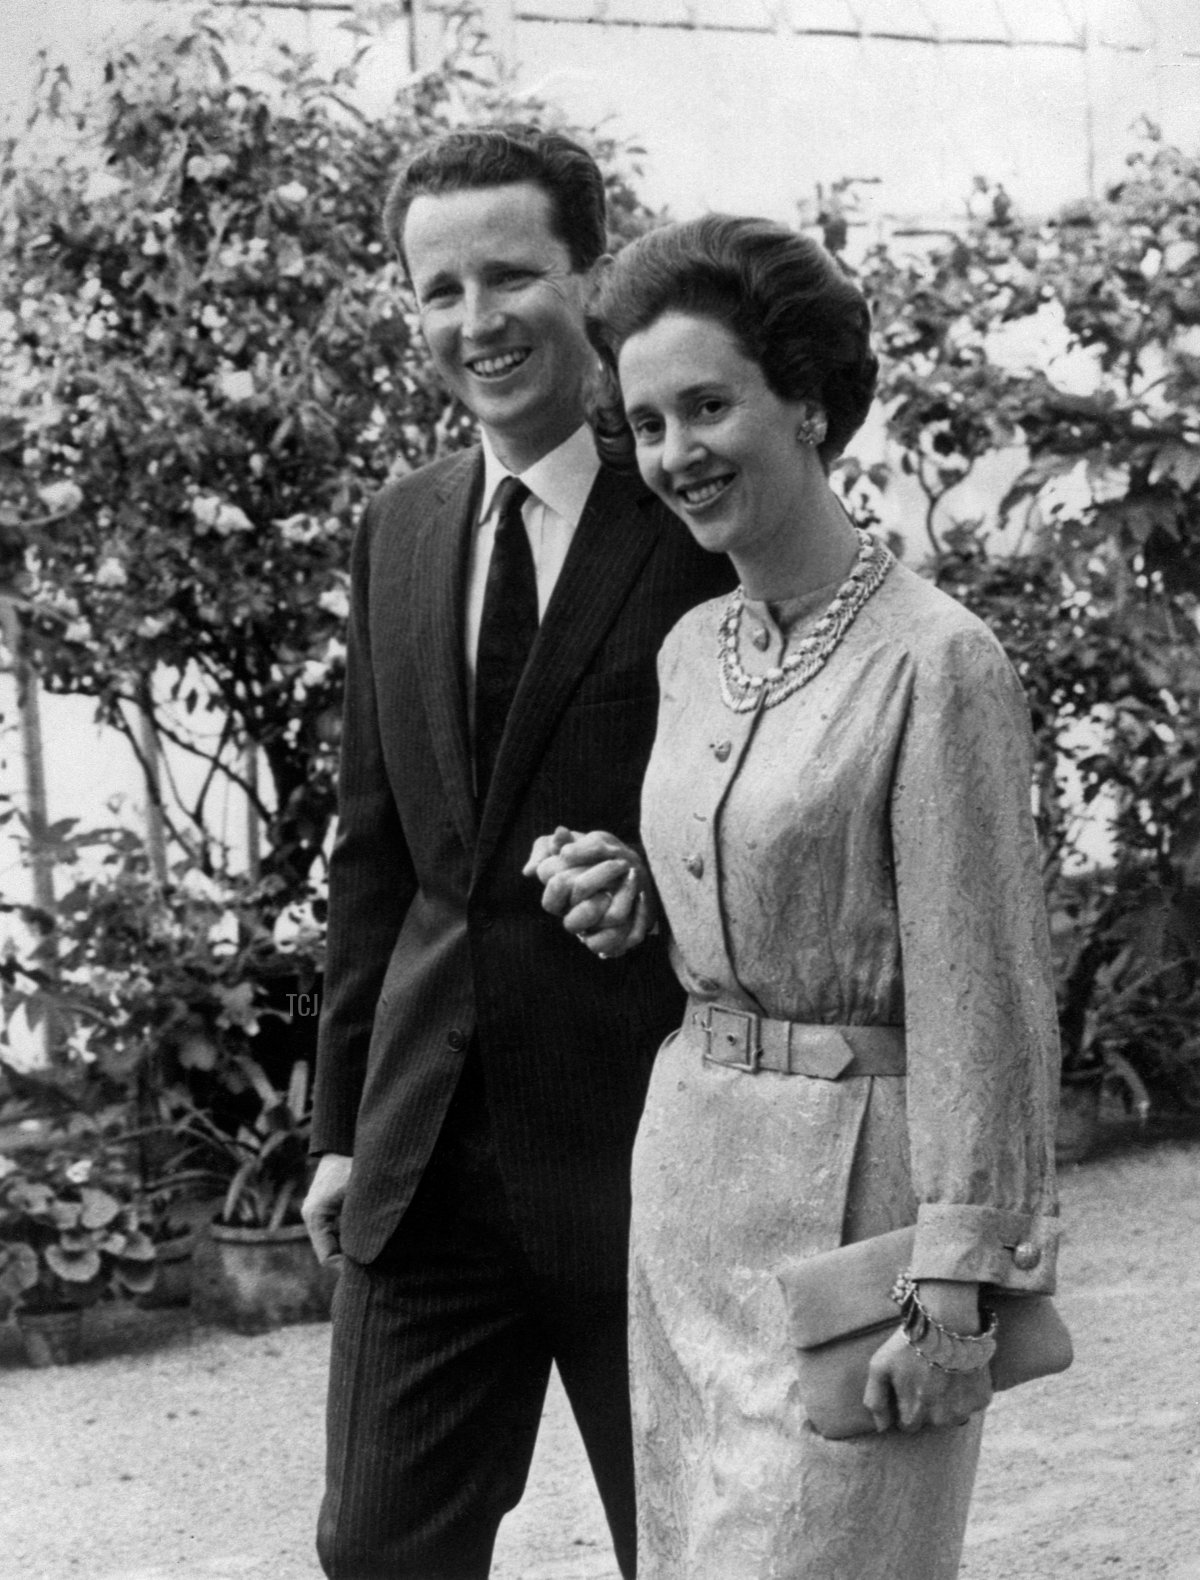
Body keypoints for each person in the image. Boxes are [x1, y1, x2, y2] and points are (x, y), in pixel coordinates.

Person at [528, 215, 1061, 1579]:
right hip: (692, 1196)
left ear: (809, 403)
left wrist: (959, 1288)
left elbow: (982, 990)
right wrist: (645, 897)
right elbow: (778, 876)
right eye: (647, 423)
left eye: (709, 405)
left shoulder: (939, 663)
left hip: (855, 1223)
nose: (675, 453)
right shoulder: (693, 650)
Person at [301, 128, 734, 1580]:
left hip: (648, 1152)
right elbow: (377, 859)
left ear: (593, 282)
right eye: (439, 288)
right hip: (426, 1161)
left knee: (693, 1554)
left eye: (511, 276)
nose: (475, 321)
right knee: (376, 1554)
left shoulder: (694, 519)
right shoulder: (400, 528)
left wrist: (660, 896)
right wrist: (342, 1129)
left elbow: (789, 817)